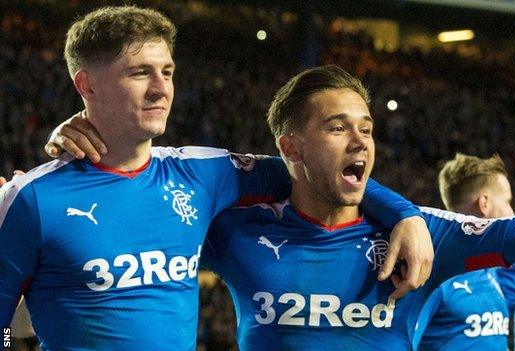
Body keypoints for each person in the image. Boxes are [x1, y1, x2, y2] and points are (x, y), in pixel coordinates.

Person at [0, 6, 434, 350]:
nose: (161, 88)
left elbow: (314, 165)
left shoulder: (205, 173)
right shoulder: (34, 197)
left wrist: (405, 214)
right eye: (139, 73)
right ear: (87, 86)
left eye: (166, 71)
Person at [199, 65, 515, 350]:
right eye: (337, 127)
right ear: (291, 148)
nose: (361, 139)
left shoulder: (424, 235)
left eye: (366, 128)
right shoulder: (235, 233)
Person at [416, 153, 513, 350]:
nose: (513, 214)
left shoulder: (488, 269)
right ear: (484, 203)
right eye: (507, 202)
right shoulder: (433, 273)